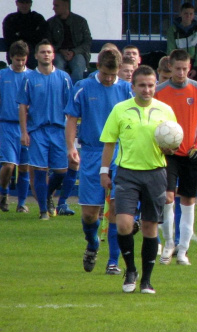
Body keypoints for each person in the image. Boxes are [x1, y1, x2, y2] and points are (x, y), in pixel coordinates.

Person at [100, 65, 176, 294]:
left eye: (151, 85)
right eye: (142, 85)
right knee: (124, 224)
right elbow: (109, 142)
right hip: (127, 173)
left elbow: (173, 145)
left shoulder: (165, 110)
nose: (147, 89)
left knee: (150, 227)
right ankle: (130, 270)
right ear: (132, 87)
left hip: (155, 173)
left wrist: (170, 148)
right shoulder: (120, 110)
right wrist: (104, 171)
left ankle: (147, 281)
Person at [64, 48, 133, 275]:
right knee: (89, 214)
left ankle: (113, 262)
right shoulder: (83, 87)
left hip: (119, 154)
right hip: (92, 153)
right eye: (106, 74)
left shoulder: (125, 89)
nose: (110, 78)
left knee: (115, 207)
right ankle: (93, 243)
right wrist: (71, 147)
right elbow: (72, 120)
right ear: (97, 67)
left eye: (114, 75)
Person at [154, 49, 197, 266]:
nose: (181, 72)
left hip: (192, 153)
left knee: (188, 201)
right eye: (177, 69)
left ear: (189, 67)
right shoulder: (159, 92)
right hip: (168, 154)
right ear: (169, 67)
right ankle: (168, 244)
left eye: (185, 68)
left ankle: (183, 250)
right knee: (167, 198)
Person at [18, 39, 73, 220]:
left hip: (58, 130)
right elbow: (23, 107)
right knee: (40, 170)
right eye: (42, 52)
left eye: (49, 52)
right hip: (37, 130)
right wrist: (24, 132)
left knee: (61, 172)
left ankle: (47, 195)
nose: (46, 55)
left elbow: (71, 108)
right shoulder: (29, 78)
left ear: (53, 55)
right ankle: (43, 211)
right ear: (36, 56)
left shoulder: (64, 78)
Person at [0, 40, 32, 213]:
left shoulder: (31, 76)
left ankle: (21, 203)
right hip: (7, 124)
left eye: (23, 60)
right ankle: (4, 191)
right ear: (11, 58)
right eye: (17, 60)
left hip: (27, 126)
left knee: (24, 166)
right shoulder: (1, 75)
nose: (20, 63)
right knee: (9, 165)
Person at [47, 0, 92, 82]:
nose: (53, 8)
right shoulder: (51, 23)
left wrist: (74, 52)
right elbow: (48, 43)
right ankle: (61, 90)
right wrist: (60, 50)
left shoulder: (80, 21)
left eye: (56, 5)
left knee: (78, 66)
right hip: (58, 53)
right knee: (58, 66)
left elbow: (87, 42)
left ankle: (75, 91)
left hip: (77, 53)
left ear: (65, 5)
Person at [164, 2, 197, 83]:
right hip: (178, 61)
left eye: (191, 14)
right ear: (181, 14)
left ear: (194, 15)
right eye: (186, 13)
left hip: (194, 63)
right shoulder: (173, 30)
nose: (188, 16)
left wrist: (196, 68)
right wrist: (177, 66)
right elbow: (171, 50)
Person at [2, 0, 48, 69]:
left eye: (27, 2)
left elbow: (41, 38)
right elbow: (9, 40)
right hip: (15, 52)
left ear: (31, 4)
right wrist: (30, 35)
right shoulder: (10, 19)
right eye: (22, 2)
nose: (24, 5)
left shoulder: (37, 18)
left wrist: (20, 34)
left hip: (33, 54)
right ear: (17, 3)